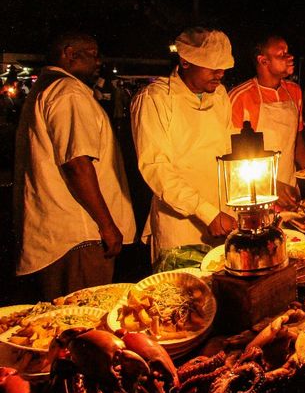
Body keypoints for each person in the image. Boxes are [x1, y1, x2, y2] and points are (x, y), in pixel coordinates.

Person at [13, 32, 136, 300]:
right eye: (92, 54)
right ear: (69, 54)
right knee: (83, 321)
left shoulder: (48, 89)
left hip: (62, 235)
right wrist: (107, 225)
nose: (98, 61)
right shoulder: (69, 92)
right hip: (81, 236)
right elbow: (77, 164)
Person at [131, 27, 237, 262]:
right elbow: (156, 167)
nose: (220, 73)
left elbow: (229, 151)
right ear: (186, 62)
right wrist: (206, 212)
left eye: (224, 67)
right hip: (180, 228)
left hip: (225, 223)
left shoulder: (220, 96)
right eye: (212, 66)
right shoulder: (155, 98)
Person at [228, 35, 305, 206]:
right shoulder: (240, 97)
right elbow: (231, 155)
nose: (290, 57)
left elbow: (296, 139)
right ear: (263, 60)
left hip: (289, 190)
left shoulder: (294, 91)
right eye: (282, 54)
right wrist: (270, 185)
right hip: (253, 194)